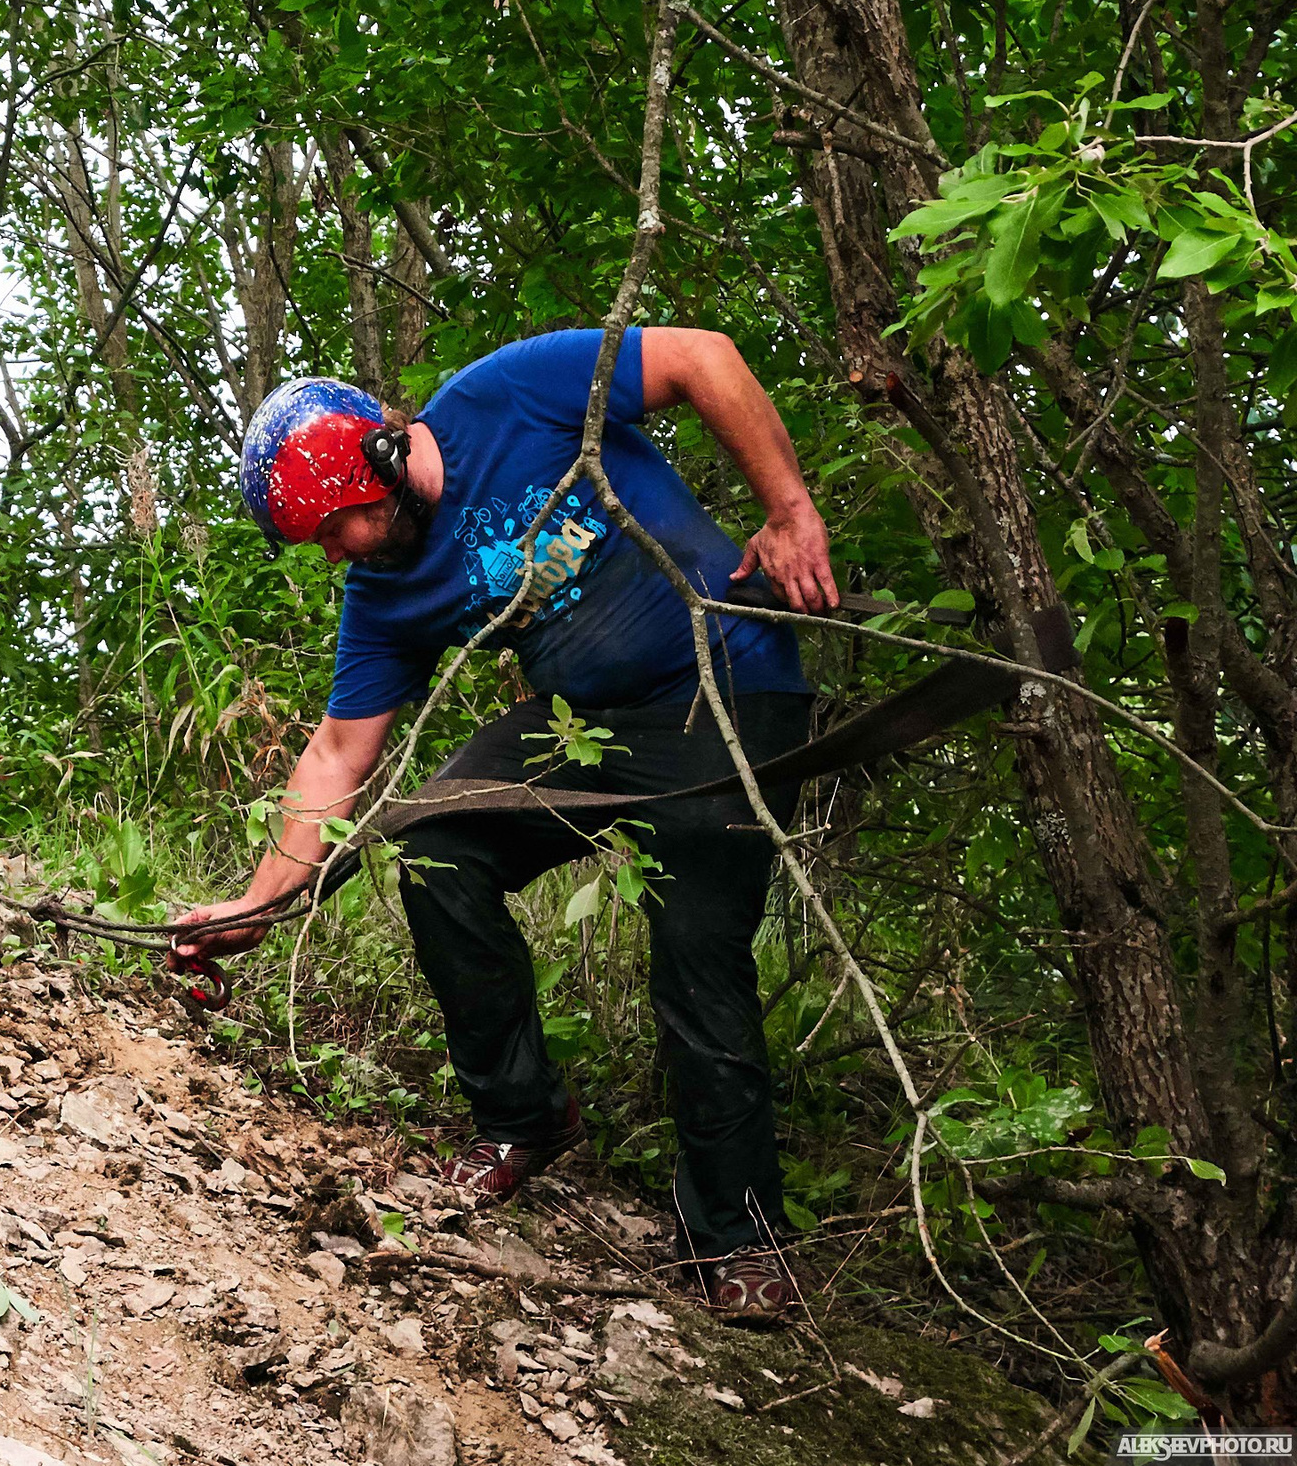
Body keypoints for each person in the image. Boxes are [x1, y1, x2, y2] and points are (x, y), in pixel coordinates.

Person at [171, 324, 838, 1325]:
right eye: (324, 542)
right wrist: (267, 900)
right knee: (435, 840)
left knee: (695, 949)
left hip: (725, 686)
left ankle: (740, 1239)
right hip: (583, 728)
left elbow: (705, 356)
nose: (343, 550)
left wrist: (789, 512)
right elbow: (338, 754)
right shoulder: (384, 591)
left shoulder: (507, 394)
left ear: (383, 456)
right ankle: (523, 1117)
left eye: (342, 523)